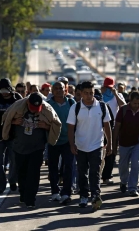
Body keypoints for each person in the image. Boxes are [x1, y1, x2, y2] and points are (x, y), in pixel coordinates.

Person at [1, 92, 62, 208]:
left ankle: (31, 199)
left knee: (34, 173)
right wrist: (14, 122)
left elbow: (57, 124)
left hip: (37, 147)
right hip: (19, 146)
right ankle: (23, 194)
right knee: (22, 172)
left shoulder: (47, 109)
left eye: (36, 109)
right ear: (28, 103)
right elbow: (5, 118)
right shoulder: (17, 106)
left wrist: (46, 126)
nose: (34, 110)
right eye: (32, 108)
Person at [67, 81, 112, 210]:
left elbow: (107, 125)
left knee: (95, 171)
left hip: (97, 145)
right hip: (80, 145)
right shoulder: (75, 108)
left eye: (91, 93)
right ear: (80, 94)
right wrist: (72, 144)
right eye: (86, 93)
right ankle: (83, 196)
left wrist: (109, 143)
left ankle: (95, 196)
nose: (89, 96)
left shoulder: (102, 106)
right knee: (82, 172)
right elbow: (70, 128)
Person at [0, 78, 22, 195]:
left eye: (6, 90)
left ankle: (12, 180)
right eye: (2, 91)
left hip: (14, 136)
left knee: (14, 160)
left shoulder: (17, 98)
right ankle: (0, 185)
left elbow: (22, 114)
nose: (5, 93)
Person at [113, 91, 139, 196]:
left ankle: (133, 188)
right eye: (134, 103)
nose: (136, 106)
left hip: (137, 143)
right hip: (124, 143)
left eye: (138, 103)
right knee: (123, 165)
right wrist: (114, 144)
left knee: (135, 164)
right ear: (130, 101)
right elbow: (117, 128)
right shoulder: (123, 110)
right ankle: (123, 181)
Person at [47, 82, 76, 204]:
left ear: (66, 90)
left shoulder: (71, 103)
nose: (59, 91)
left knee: (68, 167)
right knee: (53, 167)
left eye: (61, 88)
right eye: (56, 89)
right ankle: (55, 192)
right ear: (52, 91)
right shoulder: (48, 105)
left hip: (68, 141)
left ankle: (66, 193)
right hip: (53, 141)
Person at [101, 77, 126, 185]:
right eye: (107, 87)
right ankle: (98, 175)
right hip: (100, 127)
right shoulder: (99, 96)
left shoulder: (117, 96)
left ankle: (107, 176)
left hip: (113, 127)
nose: (108, 90)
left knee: (111, 152)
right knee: (100, 153)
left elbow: (124, 107)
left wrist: (115, 94)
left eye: (110, 88)